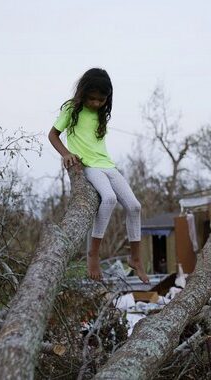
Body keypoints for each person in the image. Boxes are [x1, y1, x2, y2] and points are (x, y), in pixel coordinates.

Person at [48, 68, 148, 283]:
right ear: (83, 93)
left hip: (107, 165)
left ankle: (136, 258)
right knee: (109, 198)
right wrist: (66, 153)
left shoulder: (101, 114)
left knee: (134, 206)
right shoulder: (71, 108)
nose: (95, 103)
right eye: (91, 98)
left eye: (100, 100)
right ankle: (93, 254)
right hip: (88, 165)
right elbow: (53, 134)